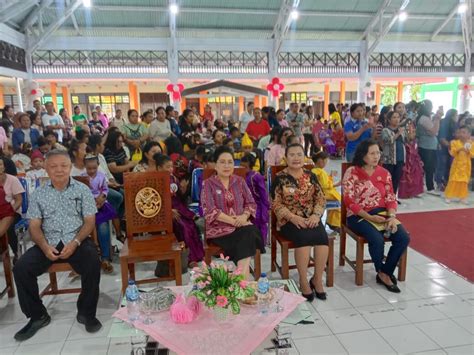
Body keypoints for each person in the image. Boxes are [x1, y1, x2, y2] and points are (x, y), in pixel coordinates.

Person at [13, 150, 101, 341]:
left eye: (64, 166)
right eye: (53, 166)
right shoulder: (38, 195)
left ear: (70, 167)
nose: (59, 170)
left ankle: (86, 312)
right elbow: (34, 226)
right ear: (46, 168)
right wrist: (44, 247)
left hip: (76, 240)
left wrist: (76, 242)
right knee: (21, 268)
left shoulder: (82, 190)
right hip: (48, 242)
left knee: (93, 261)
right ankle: (38, 315)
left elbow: (89, 221)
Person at [342, 139, 410, 293]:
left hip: (382, 213)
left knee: (403, 238)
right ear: (363, 155)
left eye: (378, 153)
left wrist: (391, 217)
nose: (376, 156)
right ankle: (382, 271)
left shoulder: (384, 173)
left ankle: (384, 271)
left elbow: (391, 198)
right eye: (372, 153)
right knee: (377, 239)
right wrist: (369, 217)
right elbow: (349, 200)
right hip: (358, 215)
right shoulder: (352, 172)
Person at [271, 143, 329, 301]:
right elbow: (276, 204)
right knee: (303, 239)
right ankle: (303, 281)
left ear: (305, 157)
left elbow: (320, 198)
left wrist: (316, 215)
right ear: (286, 157)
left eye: (299, 155)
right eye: (292, 155)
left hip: (311, 218)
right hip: (289, 220)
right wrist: (293, 217)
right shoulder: (280, 178)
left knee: (322, 239)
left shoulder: (311, 175)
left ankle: (317, 279)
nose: (296, 158)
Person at [200, 146, 264, 279]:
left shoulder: (239, 181)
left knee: (249, 232)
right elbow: (209, 211)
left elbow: (251, 203)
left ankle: (241, 279)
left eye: (230, 162)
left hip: (242, 225)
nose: (226, 165)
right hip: (220, 230)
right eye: (222, 162)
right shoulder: (208, 184)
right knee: (250, 233)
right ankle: (244, 281)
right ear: (215, 165)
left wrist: (244, 216)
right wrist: (235, 221)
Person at [155, 154, 204, 266]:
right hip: (165, 210)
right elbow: (155, 202)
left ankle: (197, 255)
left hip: (179, 208)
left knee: (191, 225)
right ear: (159, 168)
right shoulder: (155, 181)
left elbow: (179, 198)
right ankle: (188, 259)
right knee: (182, 227)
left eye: (171, 167)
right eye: (167, 167)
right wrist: (168, 211)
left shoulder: (174, 178)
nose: (171, 169)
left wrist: (183, 189)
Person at [87, 134, 125, 243]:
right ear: (97, 145)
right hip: (100, 188)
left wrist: (113, 181)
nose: (104, 146)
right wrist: (109, 184)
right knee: (118, 197)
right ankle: (114, 219)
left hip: (109, 183)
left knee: (125, 194)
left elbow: (108, 173)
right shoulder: (90, 159)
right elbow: (95, 178)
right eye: (102, 144)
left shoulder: (101, 157)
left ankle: (118, 219)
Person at [82, 154, 117, 273]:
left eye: (94, 168)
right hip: (88, 207)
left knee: (102, 227)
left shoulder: (102, 176)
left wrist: (102, 197)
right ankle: (90, 258)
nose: (91, 171)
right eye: (89, 169)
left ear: (98, 166)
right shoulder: (82, 178)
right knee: (88, 227)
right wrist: (91, 201)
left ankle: (105, 258)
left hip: (101, 205)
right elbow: (82, 193)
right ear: (85, 167)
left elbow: (105, 189)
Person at [240, 153, 270, 244]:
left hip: (258, 206)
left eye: (245, 166)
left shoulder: (256, 176)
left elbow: (263, 194)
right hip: (245, 206)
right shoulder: (241, 176)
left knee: (259, 225)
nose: (243, 168)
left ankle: (259, 245)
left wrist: (267, 207)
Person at [416, 100, 443, 195]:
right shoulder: (424, 119)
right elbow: (433, 131)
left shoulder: (425, 118)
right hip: (426, 146)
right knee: (428, 167)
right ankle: (429, 187)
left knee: (429, 167)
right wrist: (437, 119)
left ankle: (425, 186)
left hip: (429, 145)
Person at [0, 156, 24, 262]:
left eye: (0, 164)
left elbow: (19, 200)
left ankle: (16, 253)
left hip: (12, 212)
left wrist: (9, 212)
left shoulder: (12, 179)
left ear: (4, 167)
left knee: (10, 229)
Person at [311, 151, 341, 232]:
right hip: (324, 193)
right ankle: (333, 223)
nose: (326, 164)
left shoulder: (314, 170)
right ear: (321, 161)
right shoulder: (320, 171)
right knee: (339, 201)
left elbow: (323, 182)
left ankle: (332, 222)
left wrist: (330, 176)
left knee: (338, 200)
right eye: (326, 161)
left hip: (320, 192)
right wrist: (335, 184)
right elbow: (325, 185)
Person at [444, 126, 474, 204]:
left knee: (464, 182)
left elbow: (472, 155)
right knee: (453, 180)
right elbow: (452, 153)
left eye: (464, 132)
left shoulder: (471, 143)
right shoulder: (454, 142)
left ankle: (462, 197)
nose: (461, 134)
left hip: (466, 166)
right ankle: (448, 196)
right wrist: (459, 149)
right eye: (460, 132)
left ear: (469, 134)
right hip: (456, 165)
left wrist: (468, 152)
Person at [398, 117, 425, 199]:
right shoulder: (403, 142)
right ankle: (406, 193)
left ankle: (415, 191)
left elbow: (416, 151)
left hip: (415, 160)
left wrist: (419, 159)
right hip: (406, 159)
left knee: (417, 175)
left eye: (413, 131)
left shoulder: (415, 141)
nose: (412, 132)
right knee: (406, 175)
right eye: (410, 131)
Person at [381, 111, 406, 195]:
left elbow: (407, 141)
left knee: (396, 179)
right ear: (389, 119)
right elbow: (388, 141)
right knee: (388, 179)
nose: (397, 119)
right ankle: (386, 197)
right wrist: (398, 133)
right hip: (389, 159)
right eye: (394, 117)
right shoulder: (385, 130)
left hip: (400, 158)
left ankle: (393, 197)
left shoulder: (401, 129)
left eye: (398, 117)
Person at [436, 109, 458, 191]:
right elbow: (442, 138)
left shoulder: (454, 124)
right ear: (452, 115)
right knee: (442, 165)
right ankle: (439, 183)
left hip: (451, 149)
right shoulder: (445, 123)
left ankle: (446, 183)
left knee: (449, 166)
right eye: (456, 115)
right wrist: (450, 145)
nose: (457, 117)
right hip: (444, 148)